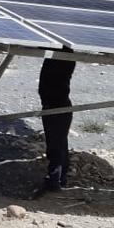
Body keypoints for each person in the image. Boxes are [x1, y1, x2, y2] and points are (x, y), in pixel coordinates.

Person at [38, 58, 77, 191]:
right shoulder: (57, 53)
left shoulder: (62, 54)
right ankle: (57, 179)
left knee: (57, 146)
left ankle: (55, 180)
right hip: (53, 106)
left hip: (57, 108)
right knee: (57, 144)